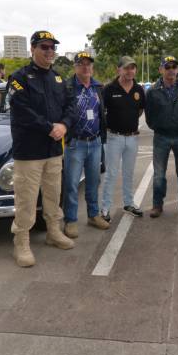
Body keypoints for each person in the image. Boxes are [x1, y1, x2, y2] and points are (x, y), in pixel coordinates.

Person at [6, 30, 76, 267]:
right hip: (29, 151)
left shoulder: (58, 79)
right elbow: (22, 111)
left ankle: (53, 232)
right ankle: (21, 241)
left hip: (53, 149)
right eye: (44, 47)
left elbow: (70, 106)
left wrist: (64, 125)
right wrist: (50, 128)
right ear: (33, 49)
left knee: (53, 194)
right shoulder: (19, 78)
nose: (49, 51)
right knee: (26, 199)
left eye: (52, 47)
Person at [62, 52, 108, 237]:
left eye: (88, 64)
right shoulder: (67, 87)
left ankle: (93, 215)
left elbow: (102, 112)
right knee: (72, 184)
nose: (85, 67)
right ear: (75, 67)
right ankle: (70, 220)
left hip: (95, 142)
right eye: (81, 64)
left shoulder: (98, 87)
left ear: (92, 67)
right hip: (75, 143)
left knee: (93, 182)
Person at [145, 56, 178, 218]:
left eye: (174, 67)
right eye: (167, 67)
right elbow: (149, 116)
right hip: (161, 137)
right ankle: (157, 205)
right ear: (161, 70)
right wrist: (159, 126)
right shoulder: (152, 91)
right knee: (159, 174)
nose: (171, 70)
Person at [100, 56, 145, 221]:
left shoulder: (139, 89)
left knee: (129, 173)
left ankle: (129, 203)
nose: (130, 71)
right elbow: (101, 111)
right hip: (113, 138)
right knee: (111, 174)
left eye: (132, 68)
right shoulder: (109, 89)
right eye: (126, 68)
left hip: (132, 138)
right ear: (118, 70)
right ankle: (105, 208)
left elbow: (140, 110)